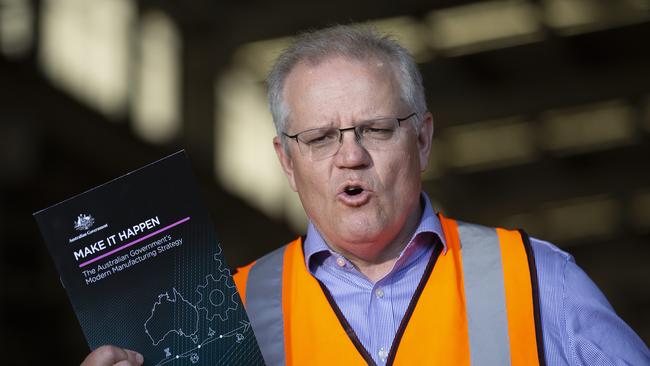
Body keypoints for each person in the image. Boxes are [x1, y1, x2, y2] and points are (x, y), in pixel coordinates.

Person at [83, 25, 648, 366]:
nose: (350, 155)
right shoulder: (219, 318)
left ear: (422, 139)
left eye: (376, 129)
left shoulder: (537, 280)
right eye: (321, 137)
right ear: (286, 161)